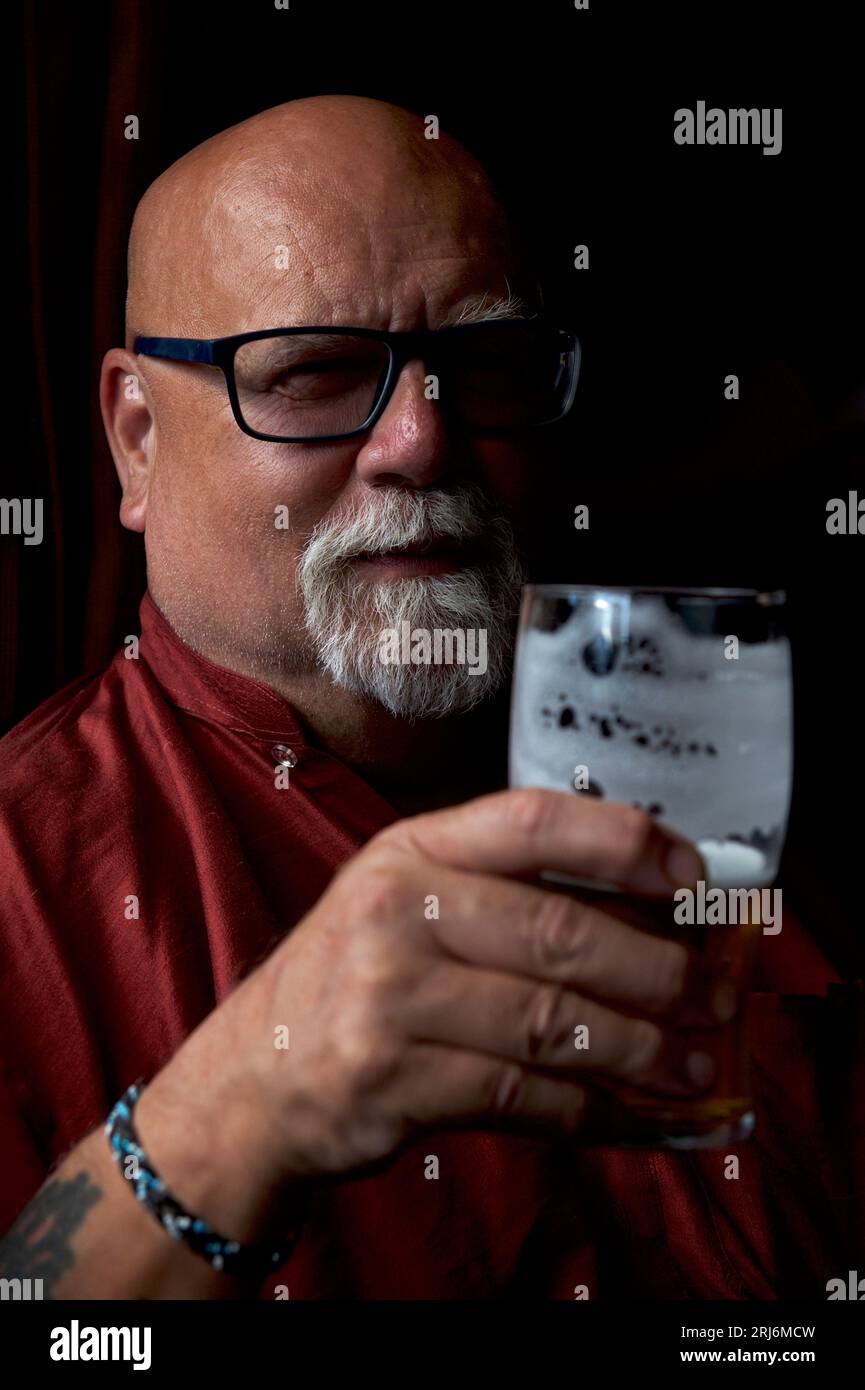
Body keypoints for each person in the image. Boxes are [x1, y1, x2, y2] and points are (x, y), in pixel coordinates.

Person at [0, 95, 858, 1300]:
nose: (419, 439)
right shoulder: (19, 886)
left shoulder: (725, 765)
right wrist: (238, 1107)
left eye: (481, 365)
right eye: (312, 373)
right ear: (137, 438)